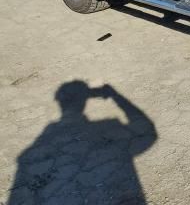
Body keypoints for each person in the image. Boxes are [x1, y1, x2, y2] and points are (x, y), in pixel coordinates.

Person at [8, 81, 157, 204]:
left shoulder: (31, 151)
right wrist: (115, 96)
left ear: (60, 101)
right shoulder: (109, 126)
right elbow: (148, 134)